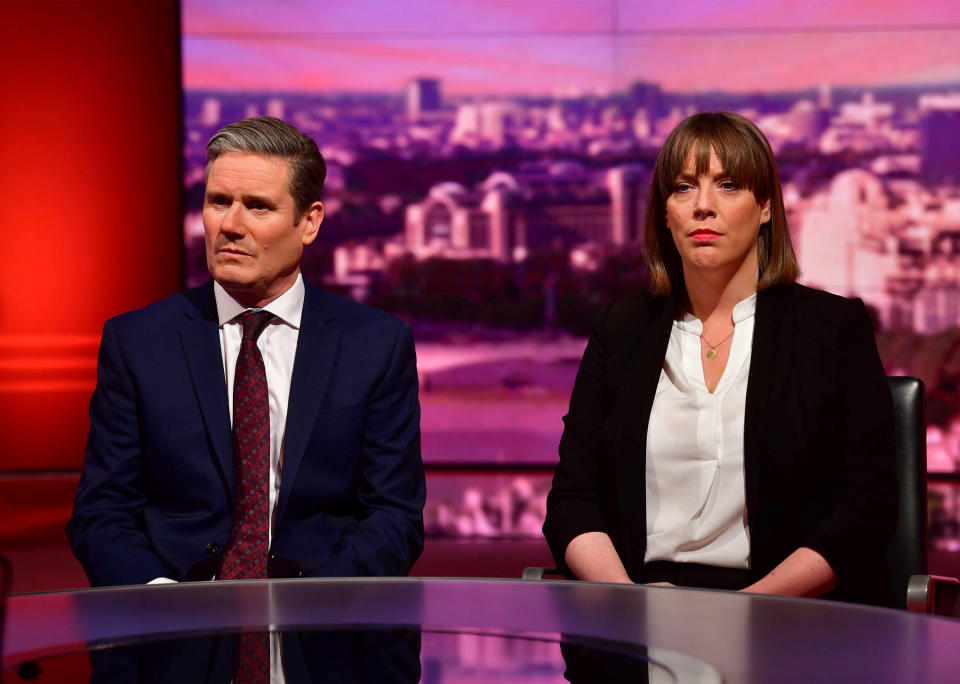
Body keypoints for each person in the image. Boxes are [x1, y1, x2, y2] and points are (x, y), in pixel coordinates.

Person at [67, 116, 425, 680]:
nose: (228, 225)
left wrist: (304, 606)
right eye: (217, 201)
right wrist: (166, 602)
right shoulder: (137, 341)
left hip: (327, 642)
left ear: (309, 223)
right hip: (173, 642)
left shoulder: (374, 344)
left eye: (257, 206)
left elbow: (393, 516)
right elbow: (101, 511)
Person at [543, 111, 897, 606]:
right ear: (664, 213)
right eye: (683, 188)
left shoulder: (832, 329)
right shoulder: (621, 330)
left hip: (785, 620)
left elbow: (868, 507)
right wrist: (626, 604)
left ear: (766, 206)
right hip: (639, 613)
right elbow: (572, 502)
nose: (702, 207)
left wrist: (744, 610)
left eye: (728, 186)